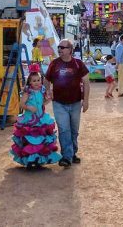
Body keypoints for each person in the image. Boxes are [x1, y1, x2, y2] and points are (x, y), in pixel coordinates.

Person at [44, 38, 89, 167]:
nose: (60, 49)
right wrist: (48, 90)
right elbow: (46, 80)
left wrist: (86, 101)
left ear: (70, 50)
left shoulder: (78, 64)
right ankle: (66, 157)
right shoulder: (54, 64)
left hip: (75, 103)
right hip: (59, 103)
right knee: (64, 130)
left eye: (63, 47)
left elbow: (86, 83)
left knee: (74, 131)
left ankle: (72, 153)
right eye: (59, 47)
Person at [10, 67, 61, 169]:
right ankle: (30, 160)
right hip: (29, 119)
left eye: (38, 80)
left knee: (40, 140)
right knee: (31, 140)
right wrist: (29, 107)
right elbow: (21, 104)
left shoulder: (42, 90)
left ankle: (39, 160)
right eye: (34, 81)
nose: (37, 82)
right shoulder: (28, 92)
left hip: (41, 118)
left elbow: (43, 103)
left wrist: (48, 100)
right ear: (30, 81)